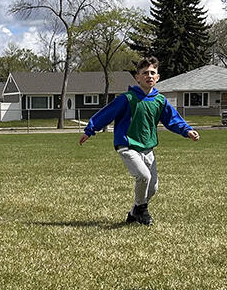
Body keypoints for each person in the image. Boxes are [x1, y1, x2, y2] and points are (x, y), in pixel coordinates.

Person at [79, 56, 200, 224]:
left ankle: (134, 211)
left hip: (148, 149)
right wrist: (90, 130)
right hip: (127, 146)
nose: (149, 76)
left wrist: (187, 130)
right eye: (144, 73)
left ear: (158, 77)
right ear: (137, 77)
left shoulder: (160, 100)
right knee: (143, 176)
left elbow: (173, 119)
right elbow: (107, 113)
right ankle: (143, 212)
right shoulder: (127, 98)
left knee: (153, 188)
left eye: (152, 73)